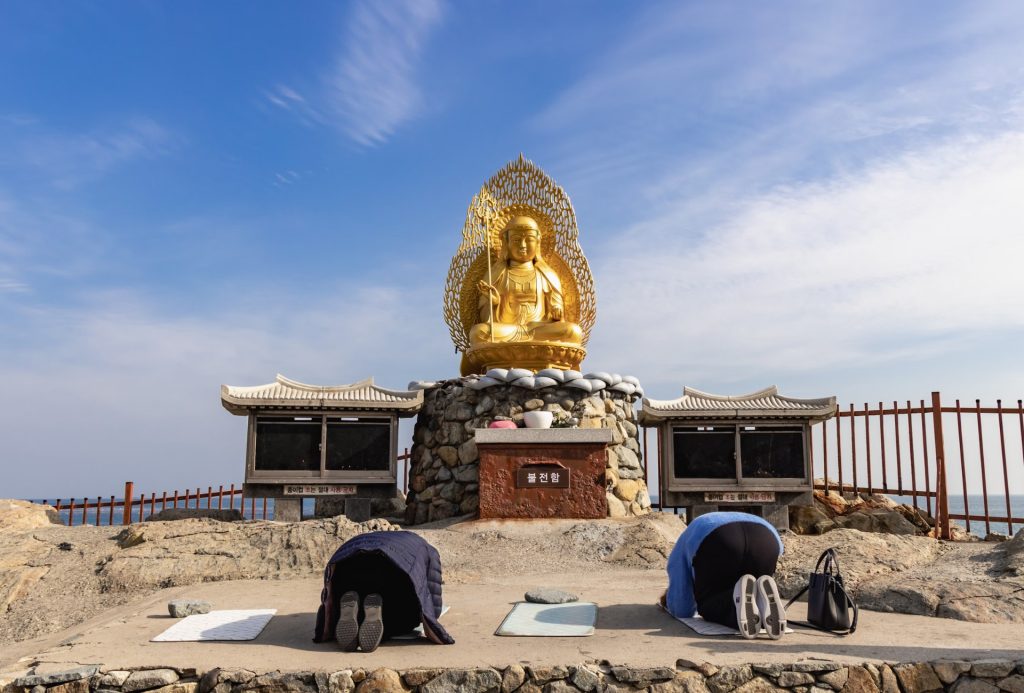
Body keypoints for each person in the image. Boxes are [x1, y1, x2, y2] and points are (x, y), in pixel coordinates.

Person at [313, 531, 454, 651]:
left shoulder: (364, 538)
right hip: (395, 575)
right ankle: (384, 624)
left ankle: (353, 615)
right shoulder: (428, 550)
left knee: (355, 597)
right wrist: (432, 620)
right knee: (401, 617)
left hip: (349, 565)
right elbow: (430, 593)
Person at [663, 511, 786, 639]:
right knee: (755, 585)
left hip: (719, 537)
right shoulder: (700, 524)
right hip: (766, 538)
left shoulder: (690, 533)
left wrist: (674, 605)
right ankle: (760, 601)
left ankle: (735, 607)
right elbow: (780, 550)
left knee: (710, 603)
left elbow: (681, 602)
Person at [469, 215, 583, 346]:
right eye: (516, 240)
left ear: (538, 242)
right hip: (508, 331)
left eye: (529, 240)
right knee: (478, 332)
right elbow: (485, 318)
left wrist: (557, 312)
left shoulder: (547, 274)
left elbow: (557, 313)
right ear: (506, 243)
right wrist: (494, 304)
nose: (522, 245)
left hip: (539, 329)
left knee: (573, 331)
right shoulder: (496, 274)